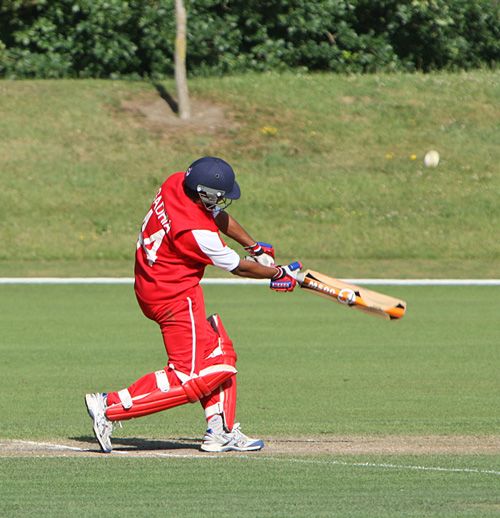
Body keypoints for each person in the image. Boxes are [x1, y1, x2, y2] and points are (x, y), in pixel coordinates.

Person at [85, 156, 301, 453]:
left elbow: (216, 217)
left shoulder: (176, 182)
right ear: (202, 192)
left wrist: (255, 247)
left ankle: (220, 431)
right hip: (173, 296)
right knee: (193, 374)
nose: (222, 201)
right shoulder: (196, 234)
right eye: (218, 196)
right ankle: (109, 406)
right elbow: (237, 267)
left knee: (219, 351)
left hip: (155, 284)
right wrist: (277, 274)